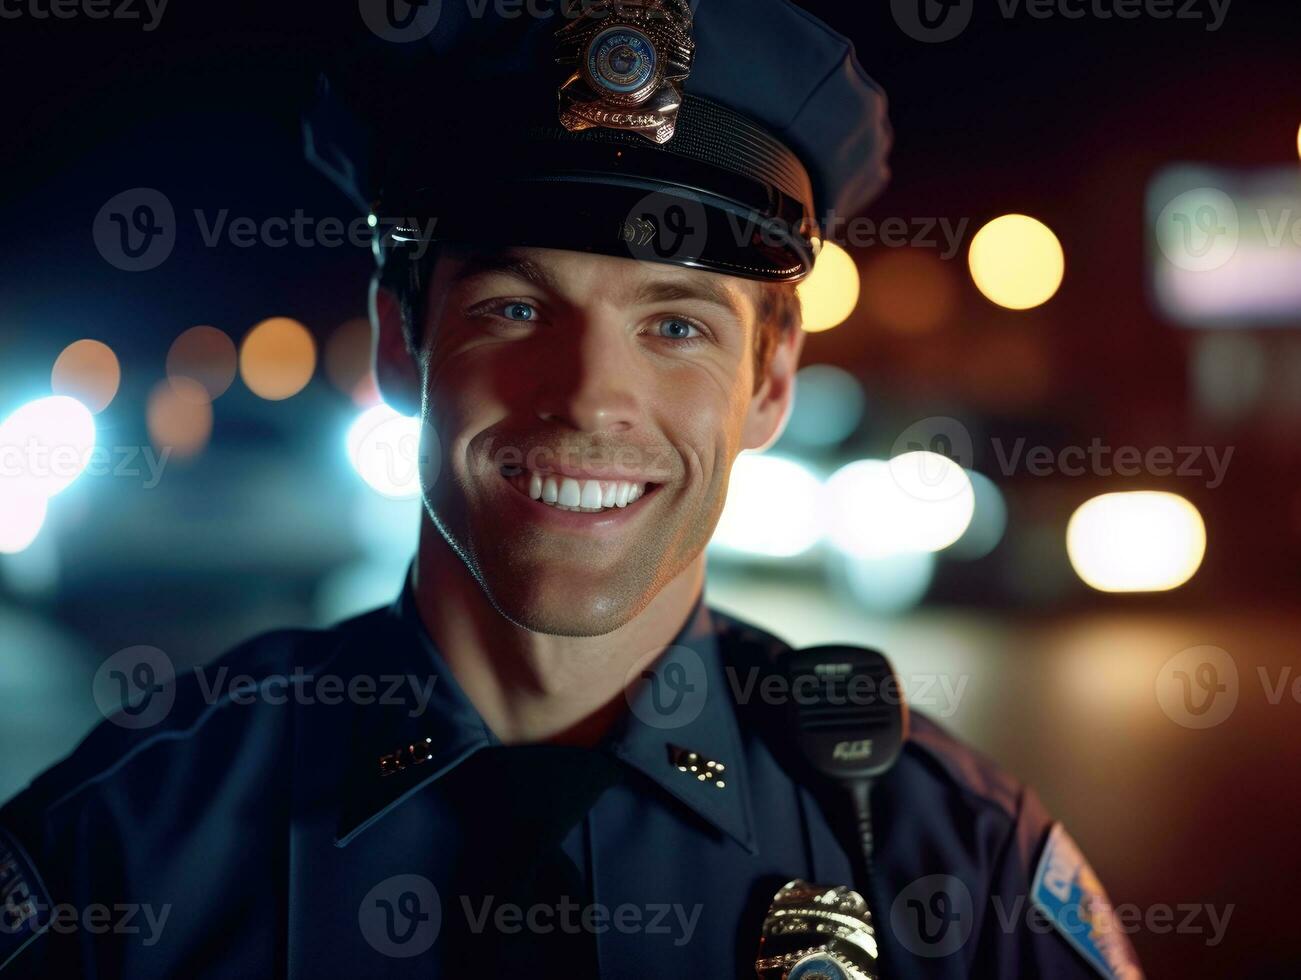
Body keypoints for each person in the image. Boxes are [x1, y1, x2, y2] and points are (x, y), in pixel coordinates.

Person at [0, 1, 1143, 977]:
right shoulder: (123, 846)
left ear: (770, 375)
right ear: (401, 343)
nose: (591, 398)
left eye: (676, 324)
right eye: (513, 306)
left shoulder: (951, 855)